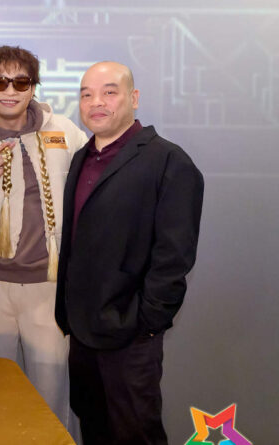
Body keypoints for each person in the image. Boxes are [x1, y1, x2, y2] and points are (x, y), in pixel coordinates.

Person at [56, 61, 204, 444]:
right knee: (94, 429)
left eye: (109, 92)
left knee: (136, 434)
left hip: (131, 336)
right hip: (82, 333)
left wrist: (146, 322)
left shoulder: (168, 161)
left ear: (134, 98)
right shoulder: (81, 157)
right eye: (86, 94)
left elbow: (174, 257)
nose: (96, 102)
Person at [0, 45, 87, 434]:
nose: (10, 90)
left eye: (21, 82)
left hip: (49, 287)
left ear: (33, 87)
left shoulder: (64, 131)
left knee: (51, 397)